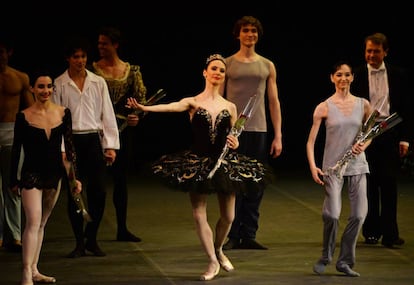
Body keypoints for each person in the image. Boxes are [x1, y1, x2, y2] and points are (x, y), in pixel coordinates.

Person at [126, 54, 272, 281]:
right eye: (214, 69)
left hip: (224, 164)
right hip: (198, 163)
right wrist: (144, 107)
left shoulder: (231, 106)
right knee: (198, 213)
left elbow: (234, 135)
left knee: (229, 216)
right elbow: (170, 107)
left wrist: (235, 142)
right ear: (205, 72)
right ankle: (212, 261)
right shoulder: (193, 102)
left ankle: (219, 249)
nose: (217, 73)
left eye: (222, 70)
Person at [10, 69, 82, 285]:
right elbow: (16, 150)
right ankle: (25, 274)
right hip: (31, 175)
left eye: (49, 86)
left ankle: (34, 268)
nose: (45, 90)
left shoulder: (63, 113)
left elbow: (69, 150)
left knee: (42, 223)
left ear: (53, 89)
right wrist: (14, 180)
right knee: (32, 221)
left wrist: (73, 179)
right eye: (40, 86)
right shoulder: (23, 116)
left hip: (55, 175)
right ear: (32, 89)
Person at [52, 35, 120, 258]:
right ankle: (79, 242)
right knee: (75, 192)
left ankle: (92, 238)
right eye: (76, 57)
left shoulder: (97, 82)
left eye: (83, 56)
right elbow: (56, 120)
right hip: (72, 141)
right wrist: (61, 148)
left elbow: (107, 114)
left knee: (99, 191)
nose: (80, 60)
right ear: (68, 58)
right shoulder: (60, 84)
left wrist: (110, 145)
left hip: (93, 140)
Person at [220, 15, 282, 250]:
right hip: (233, 131)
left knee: (255, 182)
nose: (250, 34)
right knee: (232, 181)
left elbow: (274, 101)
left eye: (254, 31)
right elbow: (220, 98)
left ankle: (249, 233)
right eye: (246, 30)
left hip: (258, 129)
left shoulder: (267, 65)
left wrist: (278, 135)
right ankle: (232, 233)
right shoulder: (227, 64)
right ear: (238, 34)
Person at [306, 61, 372, 277]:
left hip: (358, 165)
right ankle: (326, 255)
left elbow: (370, 133)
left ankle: (345, 261)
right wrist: (313, 166)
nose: (343, 78)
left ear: (352, 77)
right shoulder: (324, 106)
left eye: (347, 75)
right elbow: (310, 142)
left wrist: (364, 144)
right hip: (332, 168)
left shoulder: (364, 105)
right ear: (332, 78)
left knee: (359, 215)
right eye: (338, 75)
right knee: (332, 215)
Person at [351, 32, 412, 248]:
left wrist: (405, 139)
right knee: (367, 183)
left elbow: (406, 108)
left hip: (389, 130)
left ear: (385, 52)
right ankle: (371, 231)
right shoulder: (356, 75)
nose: (371, 55)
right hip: (364, 133)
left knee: (388, 184)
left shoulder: (399, 75)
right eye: (368, 51)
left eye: (376, 51)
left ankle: (390, 234)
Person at [90, 26, 146, 242]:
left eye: (104, 43)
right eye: (99, 43)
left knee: (120, 181)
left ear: (115, 45)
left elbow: (140, 100)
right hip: (97, 130)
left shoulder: (131, 71)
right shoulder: (92, 71)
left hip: (122, 131)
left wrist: (136, 116)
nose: (100, 47)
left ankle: (122, 228)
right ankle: (92, 231)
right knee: (97, 181)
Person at [0, 34, 35, 252]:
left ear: (9, 53)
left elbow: (31, 110)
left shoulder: (20, 77)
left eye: (1, 51)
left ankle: (14, 235)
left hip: (12, 131)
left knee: (13, 186)